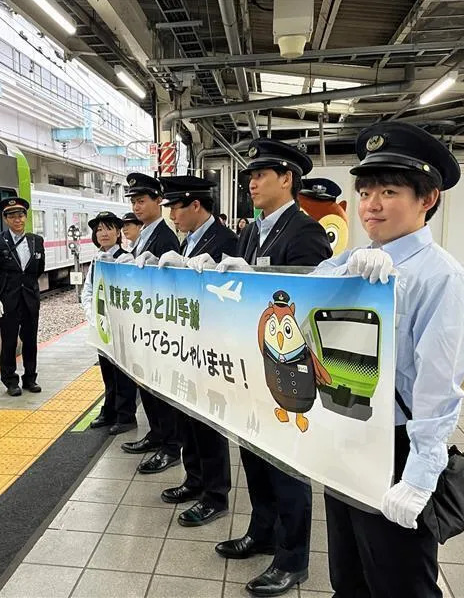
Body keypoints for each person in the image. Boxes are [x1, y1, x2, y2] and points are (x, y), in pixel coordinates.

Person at [313, 122, 464, 597]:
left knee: (401, 583)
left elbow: (439, 388)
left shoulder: (441, 278)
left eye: (389, 192)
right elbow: (303, 290)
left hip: (396, 447)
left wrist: (420, 477)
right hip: (347, 432)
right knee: (348, 576)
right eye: (365, 192)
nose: (372, 205)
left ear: (428, 199)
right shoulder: (354, 262)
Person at [188, 139, 332, 597]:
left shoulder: (305, 232)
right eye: (250, 176)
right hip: (253, 367)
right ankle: (262, 531)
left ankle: (292, 559)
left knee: (287, 464)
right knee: (254, 453)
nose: (251, 183)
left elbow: (308, 304)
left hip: (287, 370)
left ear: (287, 179)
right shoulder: (252, 232)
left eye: (260, 175)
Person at [156, 175, 238, 526]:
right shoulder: (188, 241)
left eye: (176, 207)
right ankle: (194, 479)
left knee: (208, 424)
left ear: (195, 204)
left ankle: (215, 495)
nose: (172, 215)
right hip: (187, 346)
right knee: (187, 417)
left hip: (212, 348)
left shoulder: (225, 240)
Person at [115, 173, 182, 475]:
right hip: (144, 325)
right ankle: (156, 434)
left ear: (158, 201)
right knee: (148, 387)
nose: (137, 207)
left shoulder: (165, 236)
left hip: (159, 327)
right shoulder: (144, 234)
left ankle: (170, 447)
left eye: (142, 200)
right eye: (134, 202)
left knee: (161, 390)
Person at [82, 211, 138, 435]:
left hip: (121, 328)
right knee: (107, 370)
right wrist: (93, 315)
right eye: (99, 230)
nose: (103, 233)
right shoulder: (96, 259)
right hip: (101, 326)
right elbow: (88, 290)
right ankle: (110, 410)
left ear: (118, 232)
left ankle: (126, 416)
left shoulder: (126, 259)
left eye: (108, 228)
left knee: (122, 372)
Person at [0, 196, 46, 396]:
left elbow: (39, 269)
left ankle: (30, 378)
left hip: (30, 300)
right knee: (9, 341)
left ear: (25, 217)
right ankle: (10, 380)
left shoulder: (36, 241)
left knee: (30, 341)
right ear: (5, 219)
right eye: (12, 216)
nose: (17, 220)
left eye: (20, 215)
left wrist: (30, 289)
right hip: (8, 300)